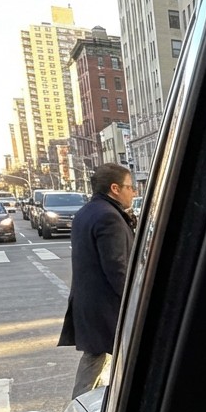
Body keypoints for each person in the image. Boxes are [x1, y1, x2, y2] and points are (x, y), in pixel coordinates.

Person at [58, 163, 138, 398]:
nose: (133, 192)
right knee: (117, 354)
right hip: (107, 305)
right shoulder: (108, 217)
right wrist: (134, 300)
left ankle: (84, 400)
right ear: (115, 188)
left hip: (90, 302)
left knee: (97, 356)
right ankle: (88, 402)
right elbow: (117, 267)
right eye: (130, 187)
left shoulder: (87, 212)